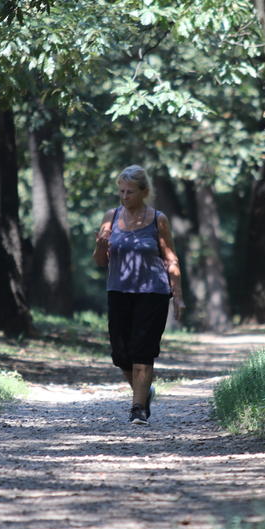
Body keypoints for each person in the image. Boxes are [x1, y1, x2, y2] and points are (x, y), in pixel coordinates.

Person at [93, 165, 185, 425]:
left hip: (152, 292)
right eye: (121, 191)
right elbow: (101, 262)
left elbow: (171, 259)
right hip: (118, 291)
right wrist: (101, 245)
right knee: (121, 355)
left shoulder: (158, 219)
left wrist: (178, 296)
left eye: (130, 192)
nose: (124, 196)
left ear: (144, 192)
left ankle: (138, 409)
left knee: (142, 352)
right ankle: (145, 391)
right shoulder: (111, 217)